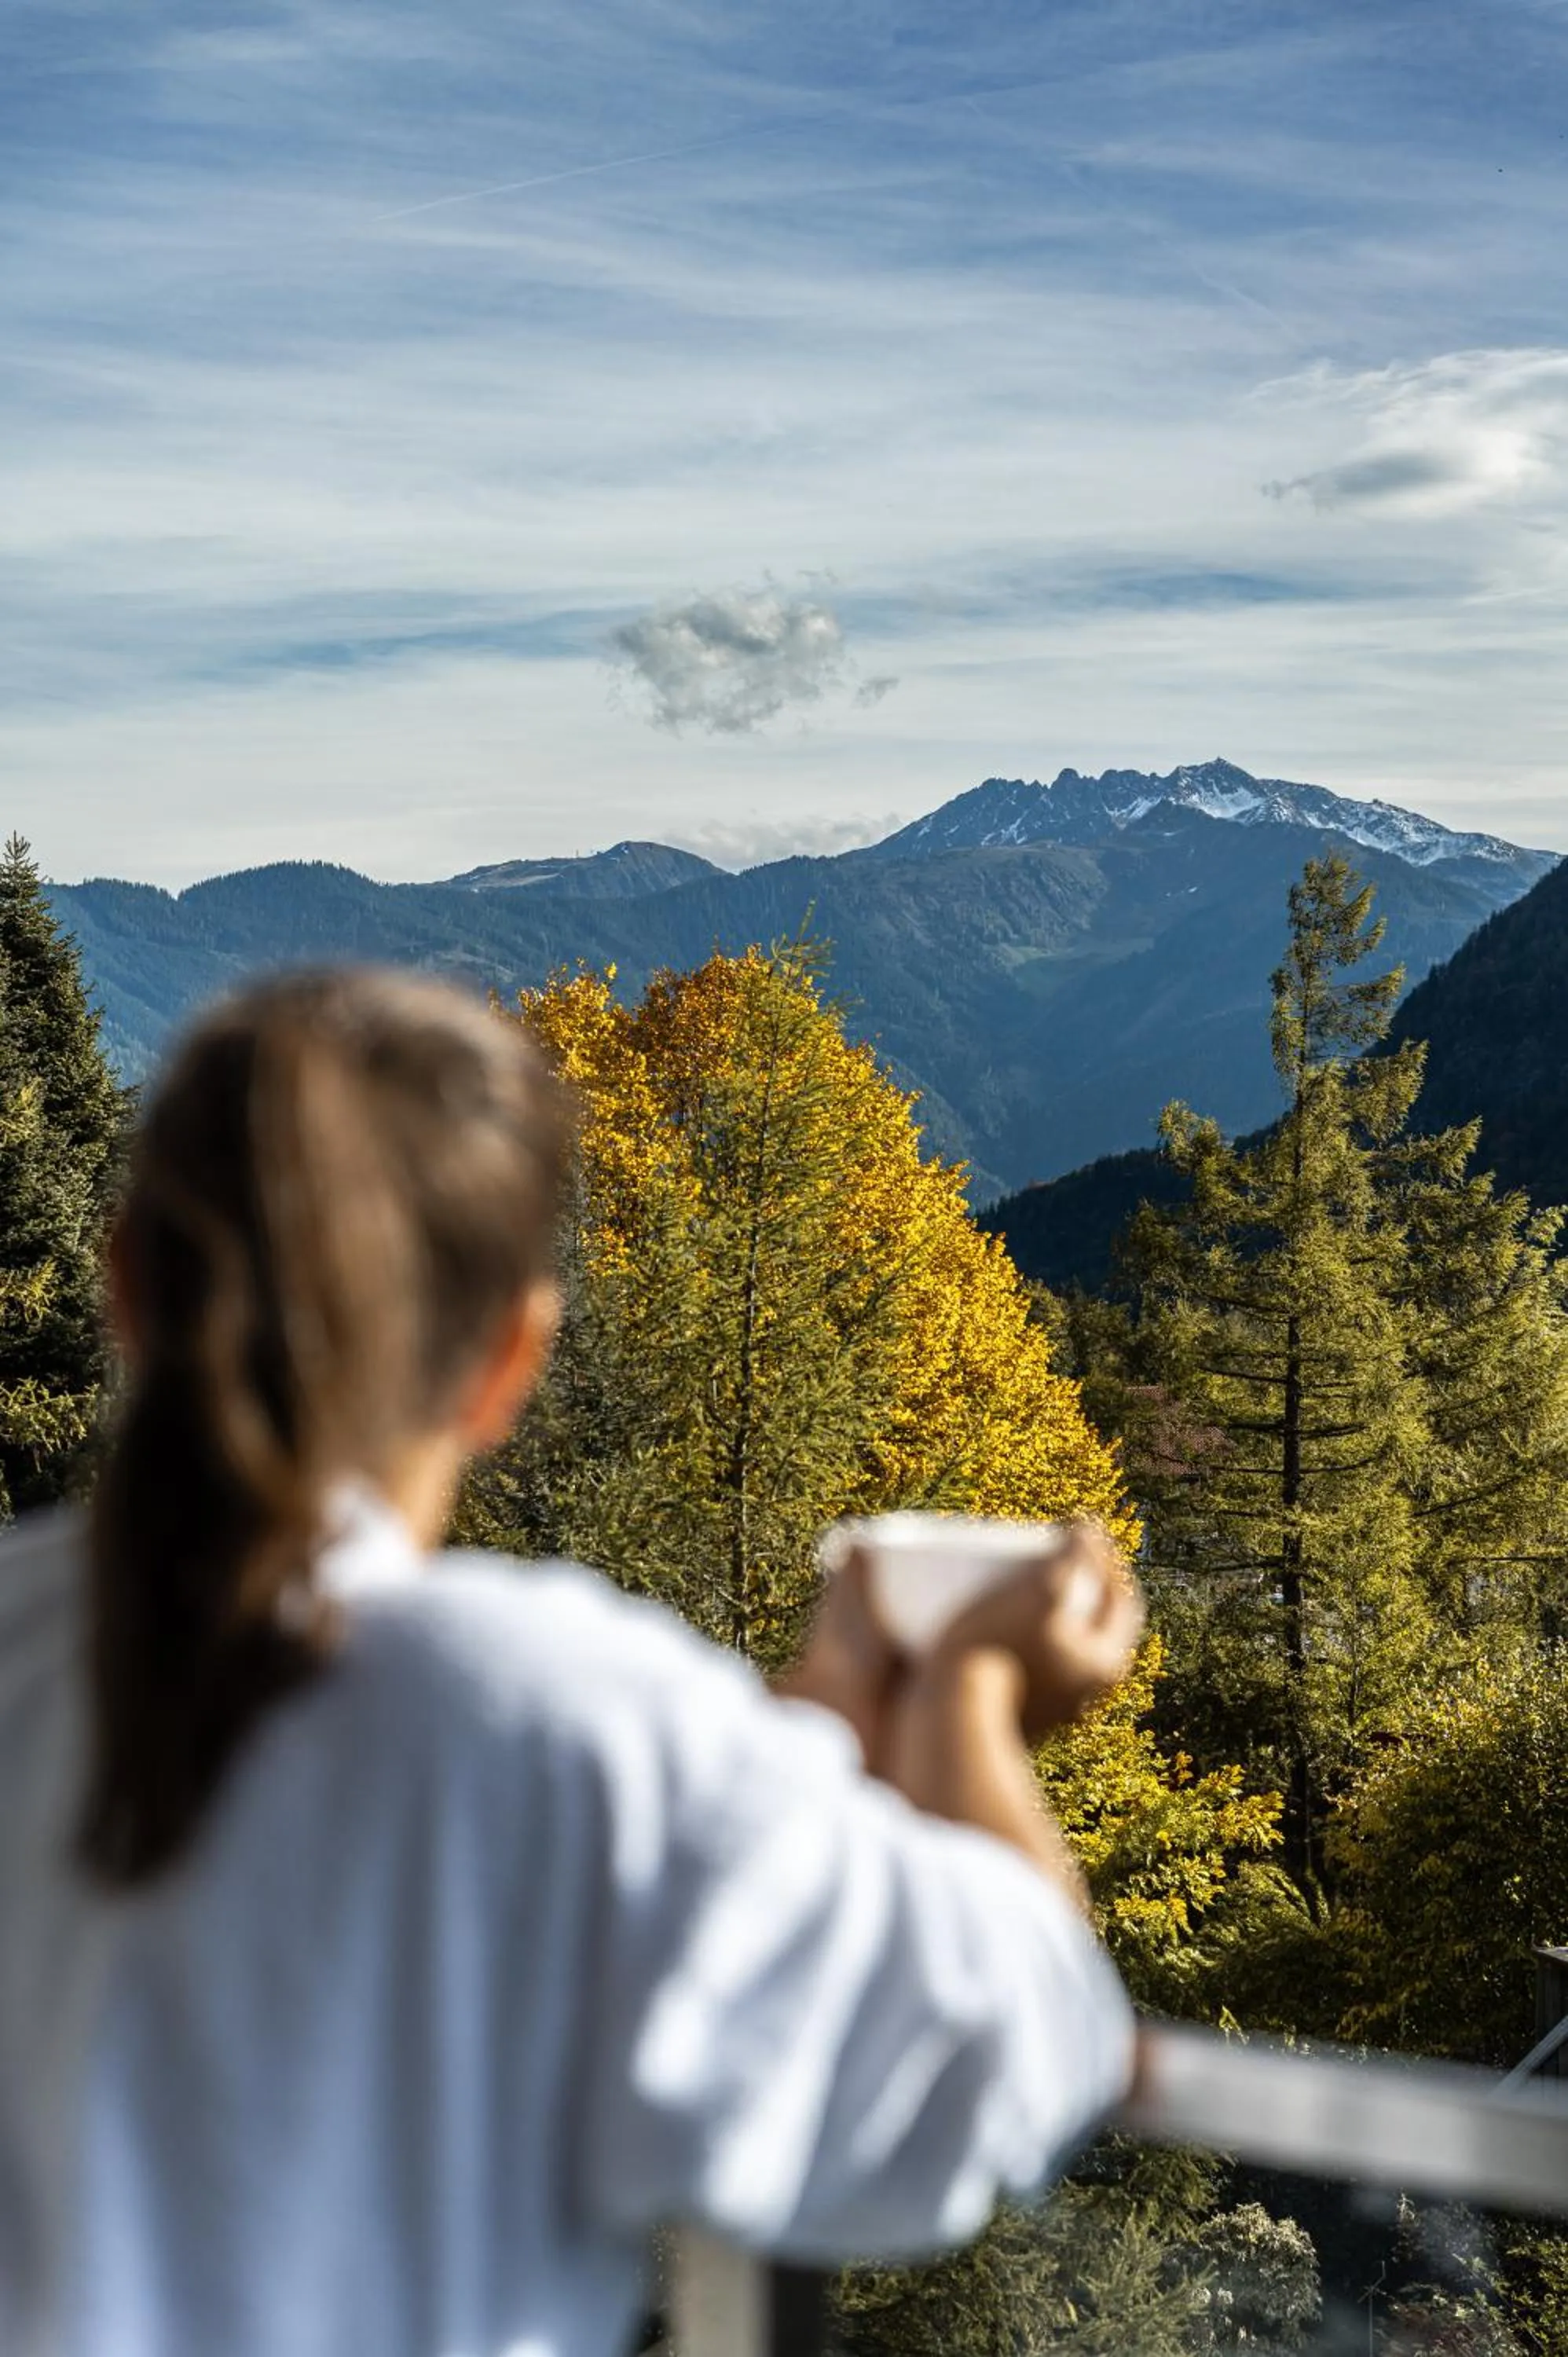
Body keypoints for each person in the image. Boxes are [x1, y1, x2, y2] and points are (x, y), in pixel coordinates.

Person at [0, 966, 1144, 2357]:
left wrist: (831, 1719)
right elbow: (1019, 2050)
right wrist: (972, 1695)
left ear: (123, 1283)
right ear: (509, 1360)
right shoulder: (556, 1723)